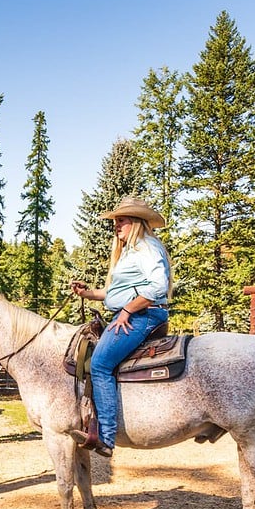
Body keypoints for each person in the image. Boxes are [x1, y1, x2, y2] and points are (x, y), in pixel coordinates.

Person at [70, 196, 172, 458]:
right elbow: (115, 293)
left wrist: (127, 310)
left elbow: (158, 286)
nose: (116, 226)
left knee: (100, 364)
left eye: (121, 221)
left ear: (136, 222)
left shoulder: (147, 247)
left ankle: (105, 437)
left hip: (143, 315)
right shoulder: (131, 251)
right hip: (134, 313)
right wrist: (88, 293)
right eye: (115, 221)